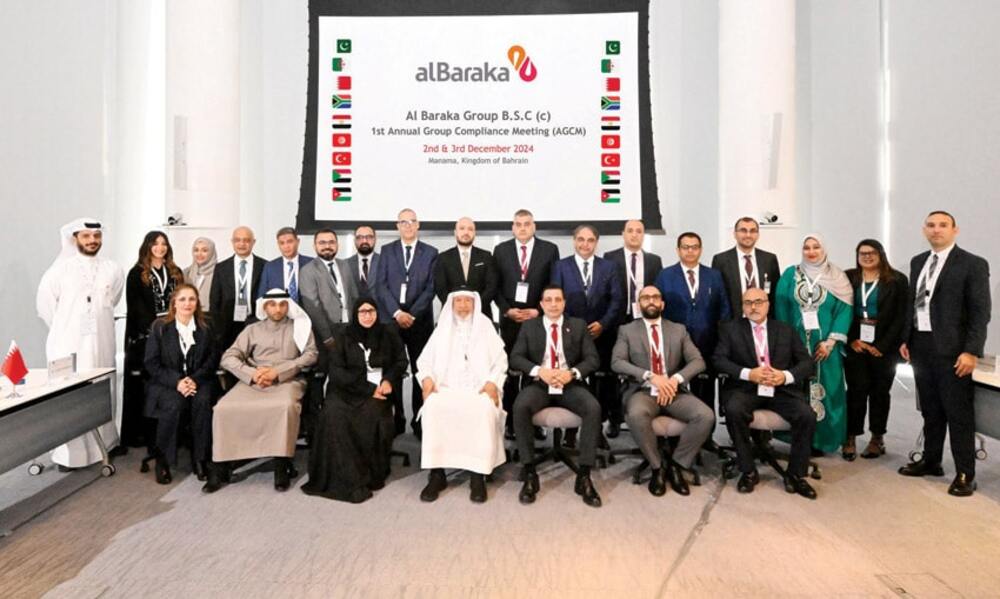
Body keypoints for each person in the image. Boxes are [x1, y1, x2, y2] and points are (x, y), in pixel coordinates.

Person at [898, 211, 992, 497]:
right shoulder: (918, 261)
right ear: (924, 230)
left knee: (958, 413)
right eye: (931, 225)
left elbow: (980, 313)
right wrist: (906, 338)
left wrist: (971, 351)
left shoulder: (973, 264)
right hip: (921, 346)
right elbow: (914, 304)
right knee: (930, 410)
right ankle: (931, 460)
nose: (936, 230)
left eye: (942, 225)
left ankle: (965, 473)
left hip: (953, 351)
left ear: (955, 230)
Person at [207, 289, 318, 493]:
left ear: (288, 306)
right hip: (253, 381)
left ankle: (281, 465)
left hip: (287, 380)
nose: (277, 309)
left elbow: (311, 355)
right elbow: (228, 357)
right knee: (223, 408)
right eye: (272, 305)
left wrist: (278, 372)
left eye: (282, 304)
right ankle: (220, 466)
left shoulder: (299, 327)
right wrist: (252, 373)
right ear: (265, 307)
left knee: (284, 407)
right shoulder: (252, 330)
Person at [36, 218, 125, 469]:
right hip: (69, 345)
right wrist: (68, 330)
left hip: (103, 341)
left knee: (103, 388)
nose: (92, 241)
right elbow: (45, 308)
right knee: (72, 395)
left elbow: (114, 298)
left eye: (96, 236)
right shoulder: (59, 271)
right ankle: (69, 455)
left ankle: (106, 444)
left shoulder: (112, 268)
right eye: (86, 236)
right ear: (74, 239)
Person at [301, 298, 407, 503]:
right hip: (346, 389)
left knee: (372, 414)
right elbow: (337, 372)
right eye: (362, 312)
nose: (367, 316)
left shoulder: (388, 333)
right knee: (333, 414)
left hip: (380, 388)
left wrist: (388, 380)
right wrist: (369, 390)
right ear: (355, 315)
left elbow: (401, 361)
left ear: (377, 313)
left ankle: (371, 473)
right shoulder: (343, 336)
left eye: (371, 311)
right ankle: (345, 475)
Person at [714, 288, 817, 499]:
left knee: (806, 415)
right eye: (748, 303)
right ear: (743, 307)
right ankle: (748, 471)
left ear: (768, 305)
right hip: (746, 388)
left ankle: (796, 475)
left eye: (759, 302)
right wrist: (748, 373)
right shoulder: (730, 329)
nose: (754, 307)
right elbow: (718, 360)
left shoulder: (785, 330)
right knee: (734, 410)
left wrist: (785, 376)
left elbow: (807, 363)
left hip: (781, 389)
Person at [611, 286, 714, 497]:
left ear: (662, 304)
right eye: (645, 298)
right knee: (636, 414)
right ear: (639, 304)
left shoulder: (678, 330)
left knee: (705, 416)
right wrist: (650, 376)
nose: (651, 301)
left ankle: (677, 464)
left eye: (655, 297)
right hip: (644, 391)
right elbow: (617, 362)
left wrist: (675, 380)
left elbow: (698, 361)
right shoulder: (627, 330)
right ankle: (657, 467)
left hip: (674, 391)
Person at [510, 285, 603, 508]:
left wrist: (571, 373)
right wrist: (539, 371)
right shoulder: (530, 326)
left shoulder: (577, 325)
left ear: (564, 303)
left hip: (569, 384)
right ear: (541, 304)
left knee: (593, 408)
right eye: (549, 300)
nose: (553, 304)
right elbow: (516, 358)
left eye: (558, 300)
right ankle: (530, 471)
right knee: (520, 406)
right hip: (540, 384)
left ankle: (584, 474)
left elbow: (592, 359)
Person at [416, 290, 508, 503]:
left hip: (479, 388)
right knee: (433, 406)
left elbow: (501, 361)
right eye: (458, 300)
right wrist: (427, 379)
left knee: (483, 408)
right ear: (451, 304)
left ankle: (478, 475)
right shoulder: (442, 328)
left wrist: (493, 382)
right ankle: (437, 474)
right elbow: (424, 361)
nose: (463, 305)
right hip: (446, 387)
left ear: (475, 304)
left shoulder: (485, 326)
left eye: (468, 300)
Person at [774, 234, 852, 455]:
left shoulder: (837, 276)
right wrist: (786, 342)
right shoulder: (790, 274)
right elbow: (781, 307)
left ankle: (823, 440)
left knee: (829, 389)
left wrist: (830, 342)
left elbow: (844, 310)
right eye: (806, 247)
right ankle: (797, 439)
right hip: (794, 344)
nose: (811, 252)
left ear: (824, 249)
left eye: (816, 247)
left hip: (825, 347)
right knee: (795, 389)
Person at [551, 224, 623, 441]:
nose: (585, 244)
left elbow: (617, 300)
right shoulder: (560, 266)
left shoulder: (608, 267)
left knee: (601, 384)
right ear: (574, 241)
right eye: (581, 239)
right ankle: (570, 433)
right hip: (570, 335)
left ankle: (597, 431)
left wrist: (603, 323)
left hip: (601, 334)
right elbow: (556, 299)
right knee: (573, 382)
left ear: (596, 243)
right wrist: (574, 328)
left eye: (590, 240)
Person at [493, 208, 560, 438]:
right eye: (518, 224)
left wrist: (538, 310)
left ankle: (535, 422)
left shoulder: (549, 249)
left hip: (538, 320)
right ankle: (512, 422)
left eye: (527, 224)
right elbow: (495, 286)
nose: (522, 228)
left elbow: (553, 284)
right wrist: (507, 310)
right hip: (511, 320)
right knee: (512, 372)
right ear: (513, 228)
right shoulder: (501, 250)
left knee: (536, 371)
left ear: (534, 227)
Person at [373, 208, 439, 438]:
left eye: (412, 221)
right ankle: (397, 419)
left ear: (418, 225)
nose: (408, 225)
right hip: (392, 321)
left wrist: (411, 314)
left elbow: (431, 288)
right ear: (397, 226)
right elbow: (381, 285)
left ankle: (419, 421)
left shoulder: (431, 252)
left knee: (422, 370)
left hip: (420, 322)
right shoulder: (387, 250)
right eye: (403, 222)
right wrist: (397, 313)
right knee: (394, 369)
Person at [143, 284, 217, 484]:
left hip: (198, 380)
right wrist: (177, 382)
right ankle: (163, 459)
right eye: (182, 299)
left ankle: (200, 459)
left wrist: (194, 380)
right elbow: (151, 363)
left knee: (202, 403)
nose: (187, 303)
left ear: (197, 303)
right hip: (167, 382)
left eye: (192, 299)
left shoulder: (205, 327)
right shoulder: (160, 327)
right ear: (174, 303)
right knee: (173, 405)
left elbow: (212, 360)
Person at [655, 232, 731, 424]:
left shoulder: (714, 275)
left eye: (694, 247)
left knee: (705, 390)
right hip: (675, 345)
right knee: (674, 390)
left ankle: (706, 435)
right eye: (686, 247)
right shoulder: (665, 275)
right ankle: (673, 435)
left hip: (707, 343)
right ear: (678, 250)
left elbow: (724, 308)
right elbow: (658, 309)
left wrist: (722, 340)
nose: (690, 251)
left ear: (701, 250)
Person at [842, 239, 908, 461]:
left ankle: (877, 438)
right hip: (856, 345)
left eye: (872, 252)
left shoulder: (897, 280)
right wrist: (852, 339)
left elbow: (901, 316)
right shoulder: (849, 277)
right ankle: (850, 436)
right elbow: (842, 310)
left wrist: (882, 345)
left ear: (881, 254)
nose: (867, 256)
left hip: (884, 347)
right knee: (856, 391)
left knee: (880, 392)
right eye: (862, 253)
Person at [124, 231, 185, 449]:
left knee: (172, 380)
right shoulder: (136, 273)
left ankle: (174, 432)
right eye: (155, 244)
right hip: (148, 337)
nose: (160, 248)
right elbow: (136, 308)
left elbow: (183, 302)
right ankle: (146, 434)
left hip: (175, 333)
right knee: (149, 385)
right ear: (147, 247)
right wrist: (155, 330)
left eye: (164, 243)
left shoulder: (175, 272)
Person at [603, 218, 663, 437]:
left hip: (644, 322)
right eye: (630, 230)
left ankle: (643, 414)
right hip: (616, 320)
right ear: (623, 234)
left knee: (643, 367)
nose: (634, 234)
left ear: (643, 235)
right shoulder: (610, 258)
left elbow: (657, 292)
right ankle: (614, 418)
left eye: (639, 231)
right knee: (614, 371)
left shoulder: (654, 261)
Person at [299, 228, 358, 441]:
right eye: (322, 242)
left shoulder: (345, 265)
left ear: (337, 244)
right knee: (318, 381)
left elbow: (353, 296)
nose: (327, 246)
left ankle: (344, 427)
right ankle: (315, 432)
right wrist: (327, 336)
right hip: (324, 333)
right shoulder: (308, 270)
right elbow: (312, 306)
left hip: (348, 330)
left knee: (345, 378)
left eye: (331, 242)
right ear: (315, 246)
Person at [711, 217, 781, 318]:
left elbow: (774, 294)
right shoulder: (721, 260)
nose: (748, 235)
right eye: (743, 231)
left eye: (752, 231)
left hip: (762, 320)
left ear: (758, 235)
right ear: (735, 234)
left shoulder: (769, 259)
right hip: (733, 321)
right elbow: (717, 296)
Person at [210, 226, 266, 352]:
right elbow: (214, 301)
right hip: (228, 326)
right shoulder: (221, 268)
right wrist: (217, 329)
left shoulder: (264, 266)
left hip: (256, 321)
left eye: (246, 240)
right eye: (237, 240)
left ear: (253, 242)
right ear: (232, 242)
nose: (241, 244)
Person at [433, 217, 499, 320]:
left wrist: (475, 306)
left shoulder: (486, 256)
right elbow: (440, 288)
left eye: (470, 229)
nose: (466, 232)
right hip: (451, 315)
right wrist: (457, 307)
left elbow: (492, 286)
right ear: (455, 232)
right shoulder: (443, 258)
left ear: (474, 233)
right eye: (462, 228)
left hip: (481, 314)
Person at [257, 227, 313, 303]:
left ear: (298, 241)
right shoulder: (270, 267)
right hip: (279, 309)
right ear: (278, 245)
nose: (286, 246)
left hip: (307, 310)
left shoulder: (311, 263)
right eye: (282, 243)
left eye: (289, 242)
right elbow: (262, 297)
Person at [183, 237, 217, 313]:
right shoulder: (186, 273)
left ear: (211, 252)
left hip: (212, 315)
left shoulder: (219, 272)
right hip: (190, 313)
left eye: (204, 250)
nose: (199, 254)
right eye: (196, 250)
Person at [344, 225, 379, 295]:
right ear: (354, 240)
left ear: (375, 239)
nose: (364, 241)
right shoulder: (345, 264)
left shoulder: (386, 262)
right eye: (359, 237)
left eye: (369, 237)